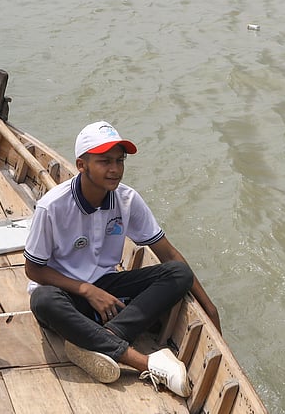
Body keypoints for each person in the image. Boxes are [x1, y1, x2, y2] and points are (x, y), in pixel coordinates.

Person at [23, 121, 220, 396]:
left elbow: (169, 254)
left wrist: (210, 309)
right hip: (66, 295)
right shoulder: (52, 207)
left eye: (119, 161)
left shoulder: (127, 199)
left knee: (178, 273)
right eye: (104, 161)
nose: (115, 169)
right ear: (82, 165)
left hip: (109, 293)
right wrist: (86, 290)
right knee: (42, 300)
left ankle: (104, 338)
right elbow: (33, 269)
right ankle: (143, 361)